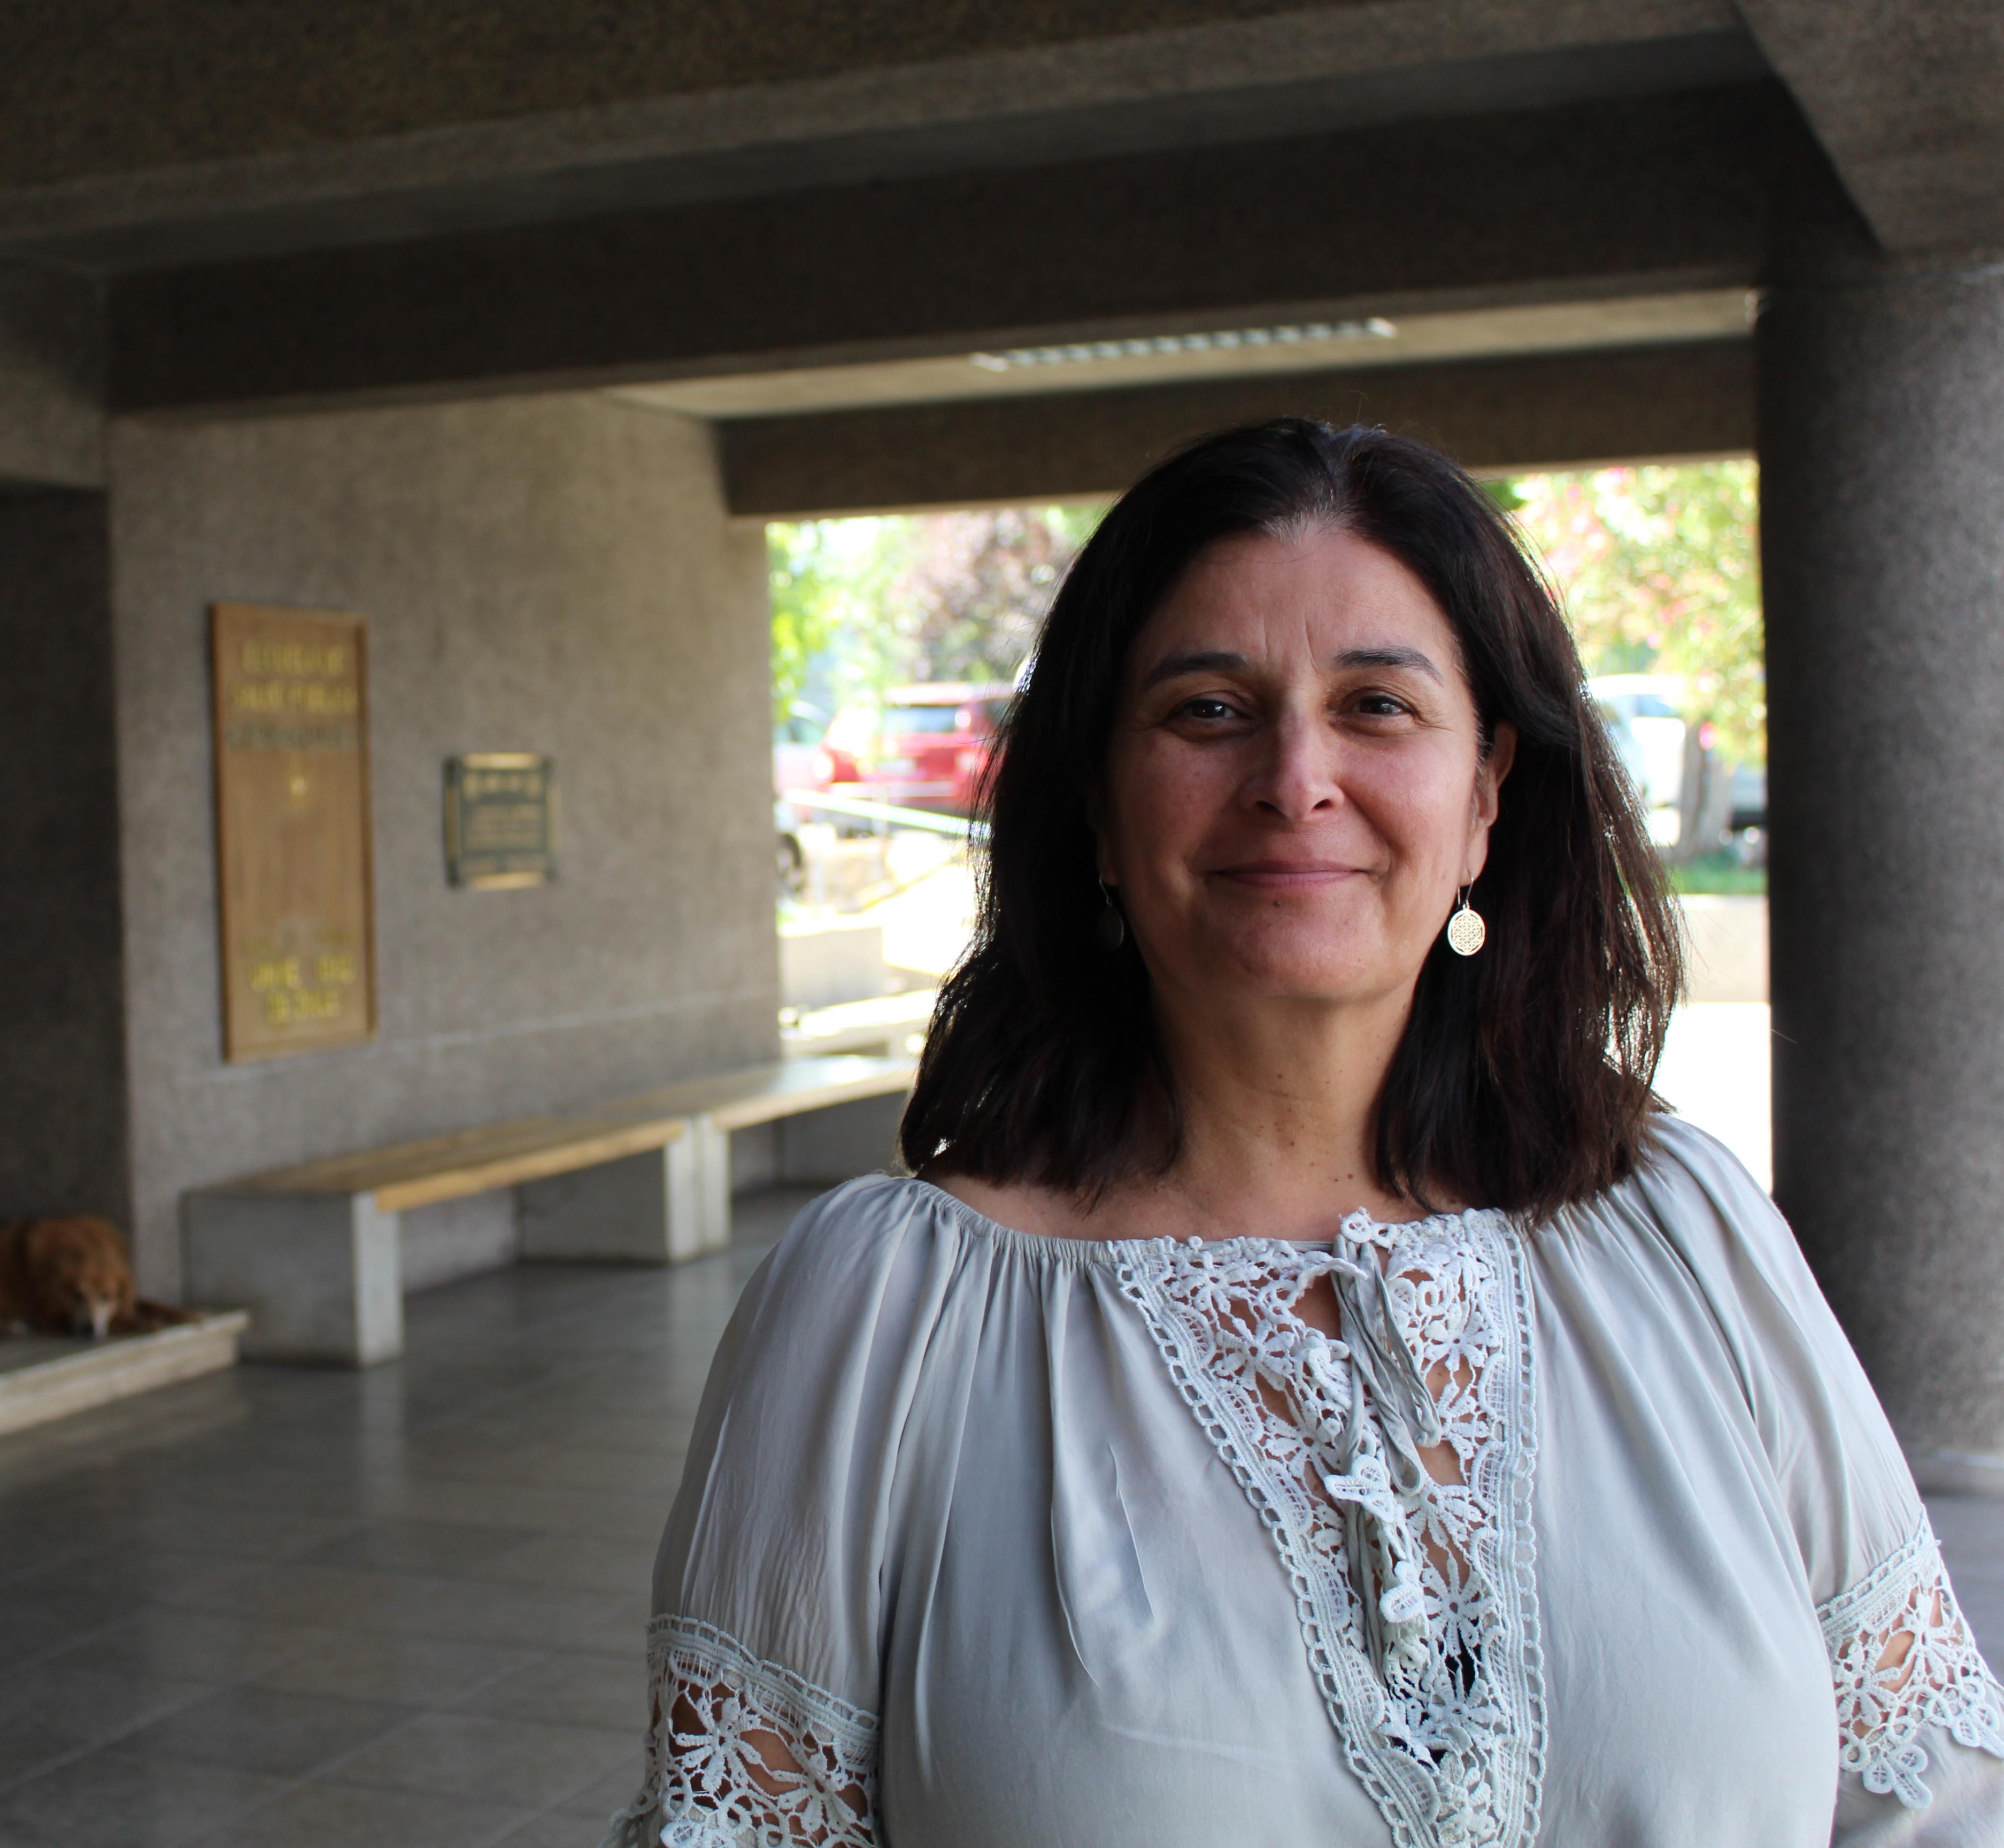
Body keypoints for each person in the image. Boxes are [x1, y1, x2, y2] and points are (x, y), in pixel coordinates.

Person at [608, 420, 2004, 1846]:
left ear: (1485, 799)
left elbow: (1931, 1801)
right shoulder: (882, 1318)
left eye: (1377, 707)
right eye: (1208, 709)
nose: (1294, 777)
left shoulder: (1685, 1231)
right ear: (1097, 803)